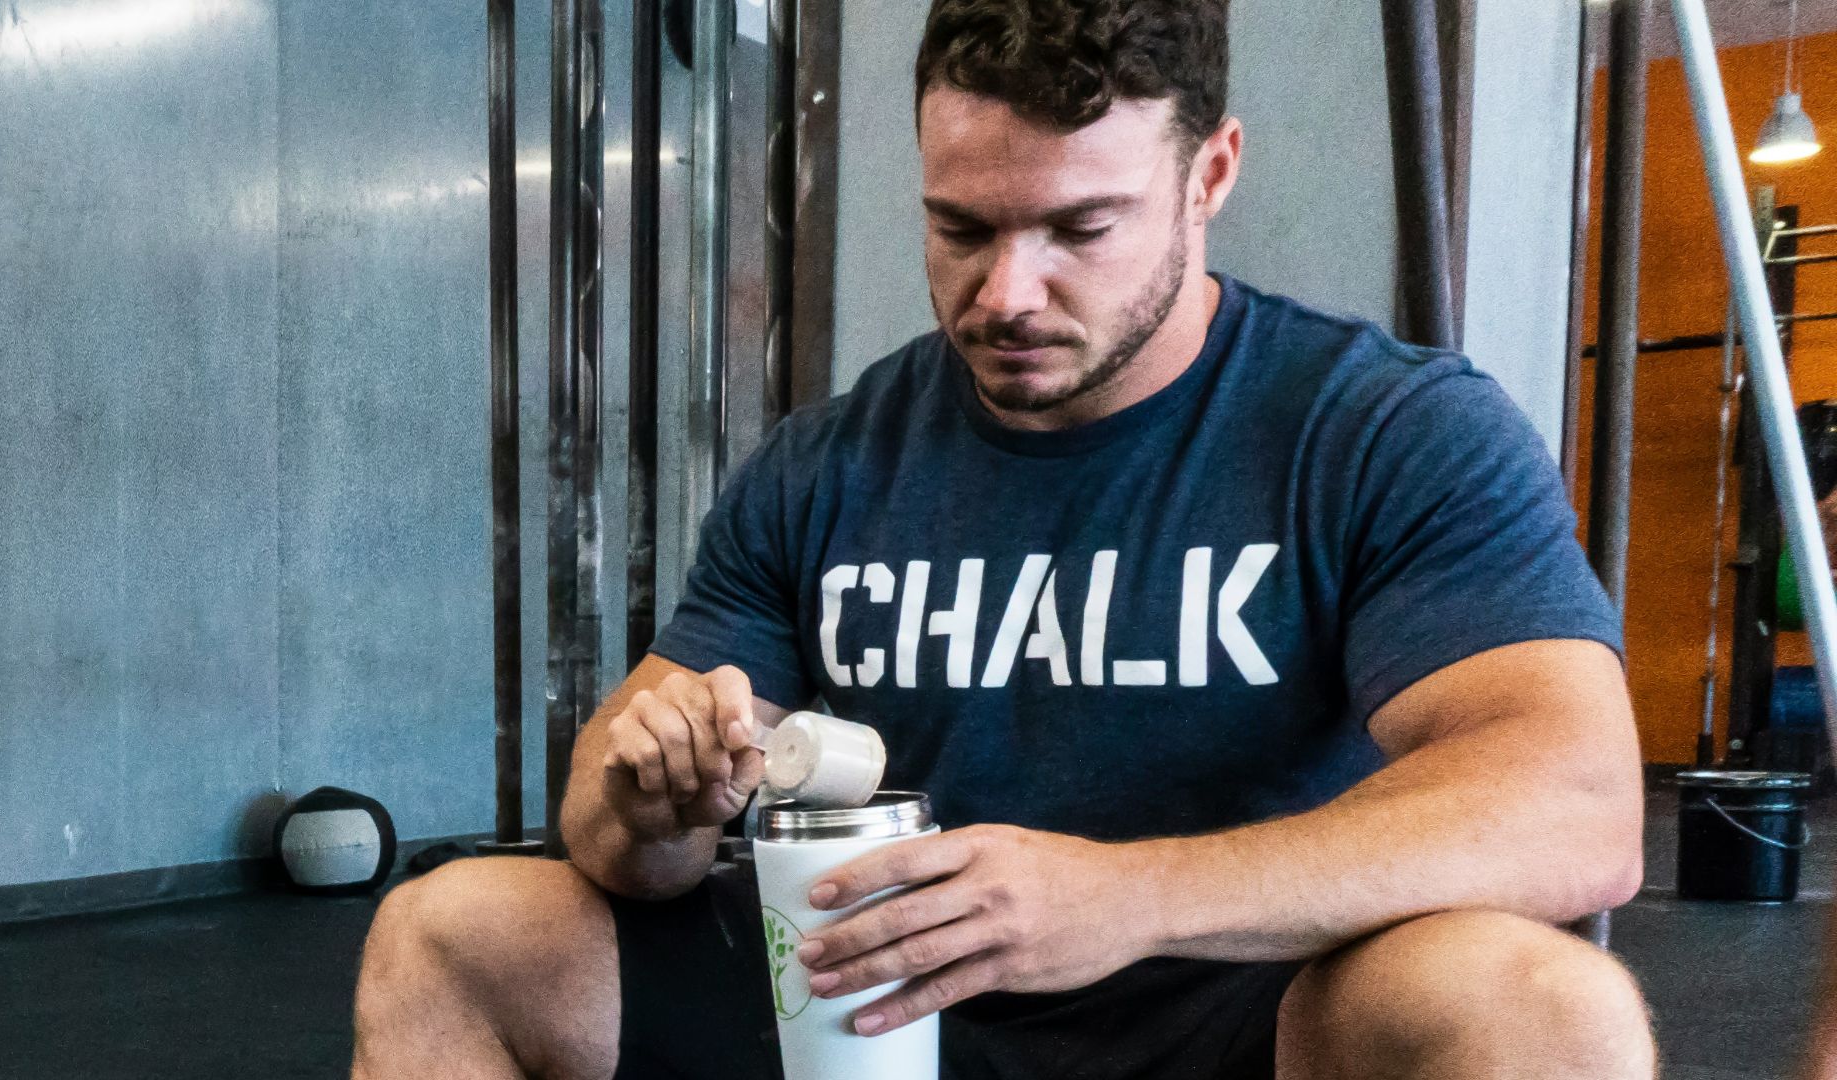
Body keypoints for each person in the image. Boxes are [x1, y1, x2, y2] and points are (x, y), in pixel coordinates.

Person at [349, 1, 1658, 1076]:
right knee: (454, 933)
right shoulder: (829, 465)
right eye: (961, 228)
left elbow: (1574, 803)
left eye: (1080, 229)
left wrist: (1125, 899)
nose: (1006, 294)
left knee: (1545, 1009)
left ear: (1210, 175)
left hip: (1246, 1014)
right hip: (874, 1009)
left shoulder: (1381, 429)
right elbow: (622, 837)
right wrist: (651, 804)